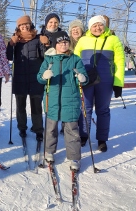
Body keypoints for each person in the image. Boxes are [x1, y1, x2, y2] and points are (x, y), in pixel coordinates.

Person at [37, 31, 88, 171]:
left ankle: (74, 157)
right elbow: (39, 77)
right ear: (55, 44)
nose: (63, 44)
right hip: (51, 99)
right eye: (60, 42)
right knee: (50, 129)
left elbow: (84, 76)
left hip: (70, 100)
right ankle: (49, 151)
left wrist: (83, 77)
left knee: (72, 130)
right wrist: (44, 76)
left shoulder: (75, 59)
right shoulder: (49, 59)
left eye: (66, 42)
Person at [74, 15, 125, 152]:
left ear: (105, 26)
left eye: (100, 25)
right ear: (90, 27)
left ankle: (102, 139)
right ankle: (83, 136)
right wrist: (76, 77)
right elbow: (75, 60)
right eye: (94, 25)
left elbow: (119, 62)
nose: (97, 27)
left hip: (106, 81)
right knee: (85, 109)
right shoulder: (83, 40)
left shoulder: (113, 39)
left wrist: (118, 83)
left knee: (103, 110)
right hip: (86, 80)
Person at [6, 15, 44, 141]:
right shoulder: (15, 40)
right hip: (20, 79)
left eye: (26, 24)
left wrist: (46, 44)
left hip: (35, 78)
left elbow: (44, 56)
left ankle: (38, 129)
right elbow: (9, 57)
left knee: (36, 106)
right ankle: (22, 127)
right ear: (18, 27)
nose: (24, 27)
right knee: (20, 106)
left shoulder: (38, 39)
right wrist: (11, 44)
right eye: (21, 25)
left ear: (30, 25)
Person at [58, 19, 85, 135]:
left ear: (81, 30)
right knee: (66, 102)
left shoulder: (86, 40)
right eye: (73, 29)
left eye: (77, 28)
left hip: (81, 74)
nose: (75, 31)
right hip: (68, 76)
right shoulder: (67, 42)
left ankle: (80, 127)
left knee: (80, 104)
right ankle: (65, 125)